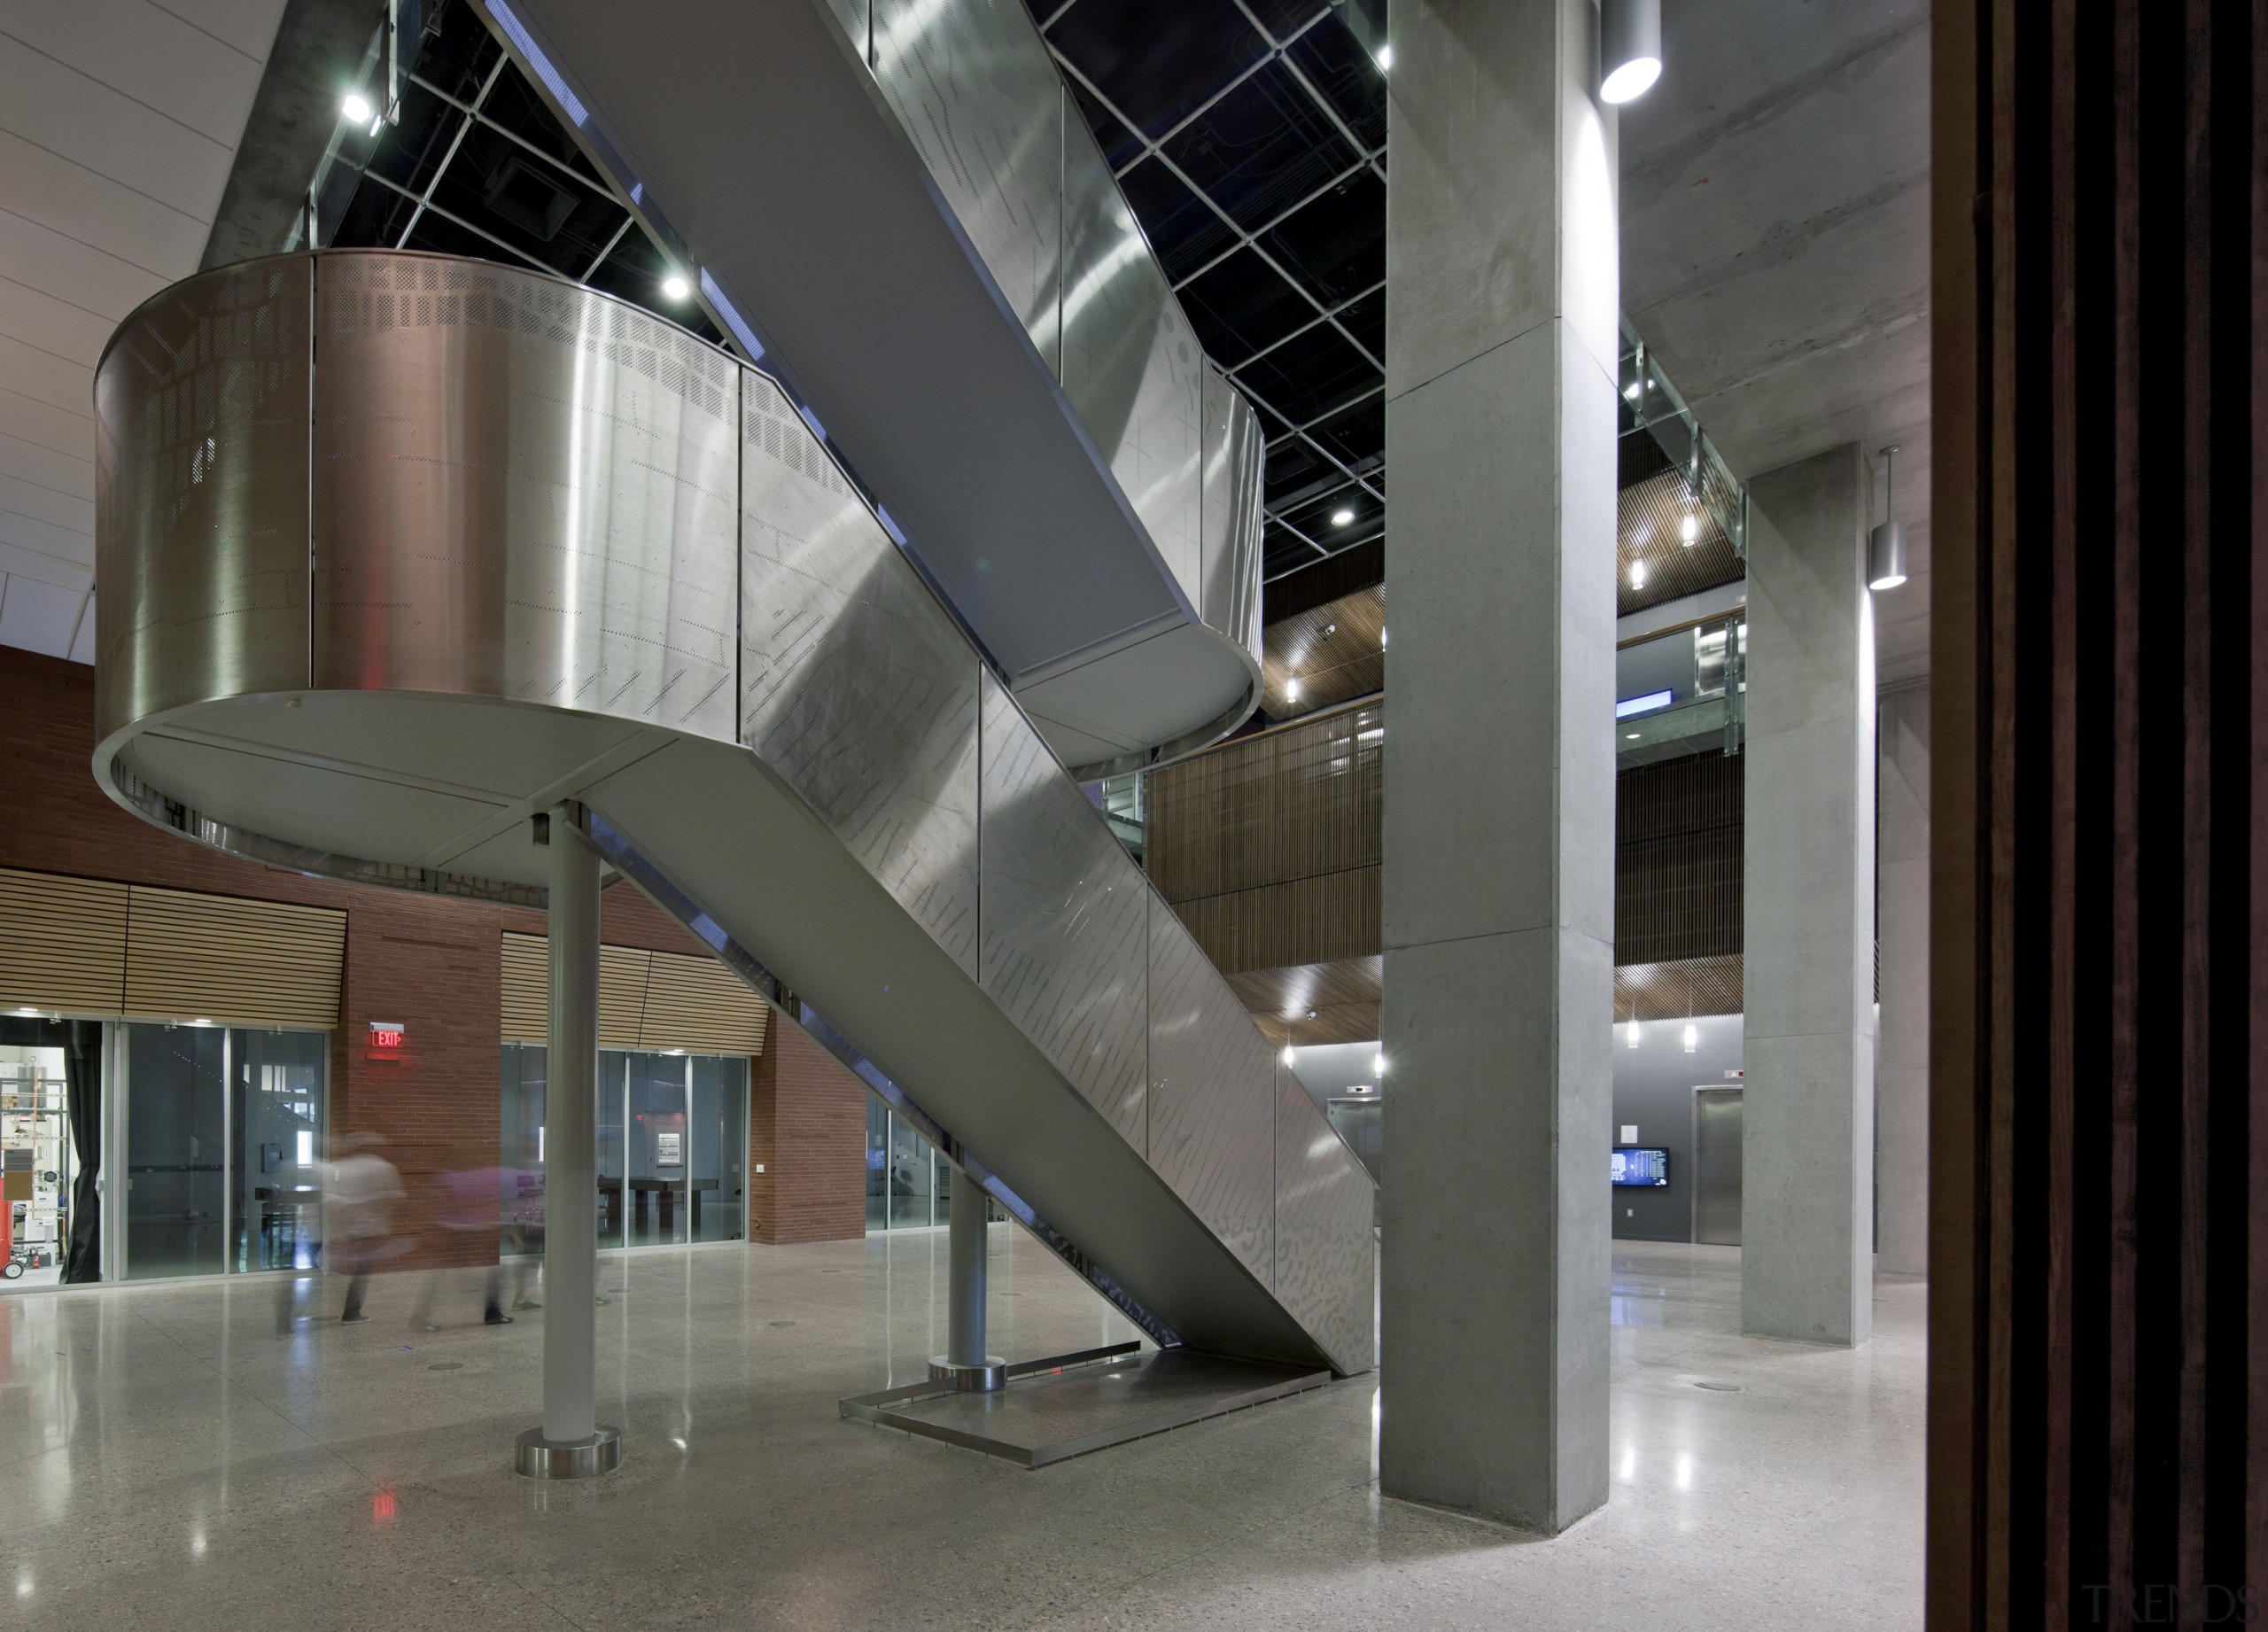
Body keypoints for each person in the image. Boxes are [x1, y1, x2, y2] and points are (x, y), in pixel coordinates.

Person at [408, 1164, 513, 1329]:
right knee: (443, 1270)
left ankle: (492, 1312)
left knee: (491, 1269)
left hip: (461, 1230)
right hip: (460, 1232)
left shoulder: (459, 1177)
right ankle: (421, 1315)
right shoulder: (465, 1178)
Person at [323, 1132, 405, 1323]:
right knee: (362, 1269)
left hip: (349, 1228)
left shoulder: (339, 1168)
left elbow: (332, 1200)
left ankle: (349, 1309)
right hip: (369, 1229)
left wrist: (336, 1230)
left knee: (355, 1267)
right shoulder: (384, 1168)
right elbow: (397, 1198)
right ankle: (351, 1312)